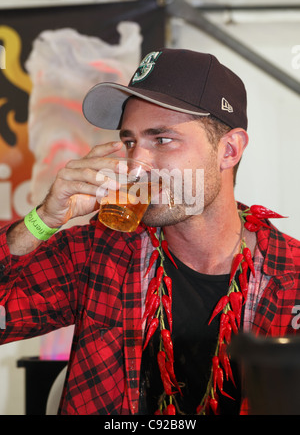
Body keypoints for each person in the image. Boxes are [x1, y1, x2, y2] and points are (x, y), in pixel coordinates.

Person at [0, 48, 299, 416]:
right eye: (130, 142)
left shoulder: (292, 274)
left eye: (161, 139)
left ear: (229, 149)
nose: (136, 164)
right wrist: (42, 220)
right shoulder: (101, 252)